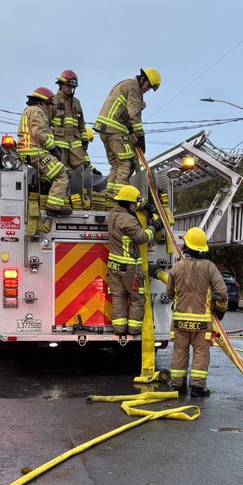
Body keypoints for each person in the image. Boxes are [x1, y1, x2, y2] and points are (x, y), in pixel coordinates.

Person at [167, 227, 228, 398]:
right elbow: (222, 293)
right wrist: (220, 310)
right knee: (201, 353)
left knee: (179, 352)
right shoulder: (210, 267)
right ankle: (197, 388)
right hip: (202, 322)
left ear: (186, 245)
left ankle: (177, 386)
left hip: (180, 322)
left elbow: (169, 293)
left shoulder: (176, 267)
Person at [94, 68, 161, 199]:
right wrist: (141, 137)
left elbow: (125, 114)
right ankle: (120, 196)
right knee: (127, 163)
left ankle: (109, 194)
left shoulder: (124, 84)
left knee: (116, 164)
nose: (147, 90)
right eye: (148, 86)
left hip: (105, 129)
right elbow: (134, 115)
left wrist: (131, 133)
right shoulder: (134, 88)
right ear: (143, 79)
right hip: (115, 130)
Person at [18, 86, 70, 217]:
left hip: (28, 151)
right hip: (34, 151)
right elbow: (39, 133)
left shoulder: (29, 110)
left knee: (48, 175)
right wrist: (53, 148)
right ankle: (54, 207)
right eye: (48, 105)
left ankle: (45, 192)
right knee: (62, 173)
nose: (49, 108)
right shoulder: (37, 111)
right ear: (41, 102)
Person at [106, 185, 150, 336]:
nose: (136, 206)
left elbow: (131, 201)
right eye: (134, 204)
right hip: (130, 267)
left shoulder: (114, 214)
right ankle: (134, 330)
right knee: (137, 298)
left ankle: (119, 329)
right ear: (128, 203)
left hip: (114, 266)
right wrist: (154, 228)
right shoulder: (129, 220)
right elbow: (142, 238)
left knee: (118, 297)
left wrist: (144, 204)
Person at [50, 69, 88, 171]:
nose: (70, 89)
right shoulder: (53, 100)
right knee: (61, 170)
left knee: (84, 166)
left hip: (74, 144)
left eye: (72, 87)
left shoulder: (76, 102)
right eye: (67, 86)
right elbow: (46, 123)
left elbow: (81, 124)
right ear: (61, 85)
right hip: (58, 144)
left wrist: (84, 140)